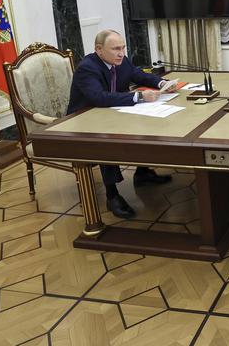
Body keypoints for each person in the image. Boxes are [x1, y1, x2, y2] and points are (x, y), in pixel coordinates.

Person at [67, 29, 179, 219]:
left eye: (123, 48)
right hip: (84, 120)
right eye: (115, 49)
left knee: (149, 123)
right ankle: (112, 196)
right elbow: (99, 97)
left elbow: (137, 74)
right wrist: (139, 96)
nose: (121, 53)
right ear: (99, 49)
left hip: (111, 112)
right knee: (105, 138)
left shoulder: (120, 60)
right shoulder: (88, 67)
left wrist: (160, 83)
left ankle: (142, 172)